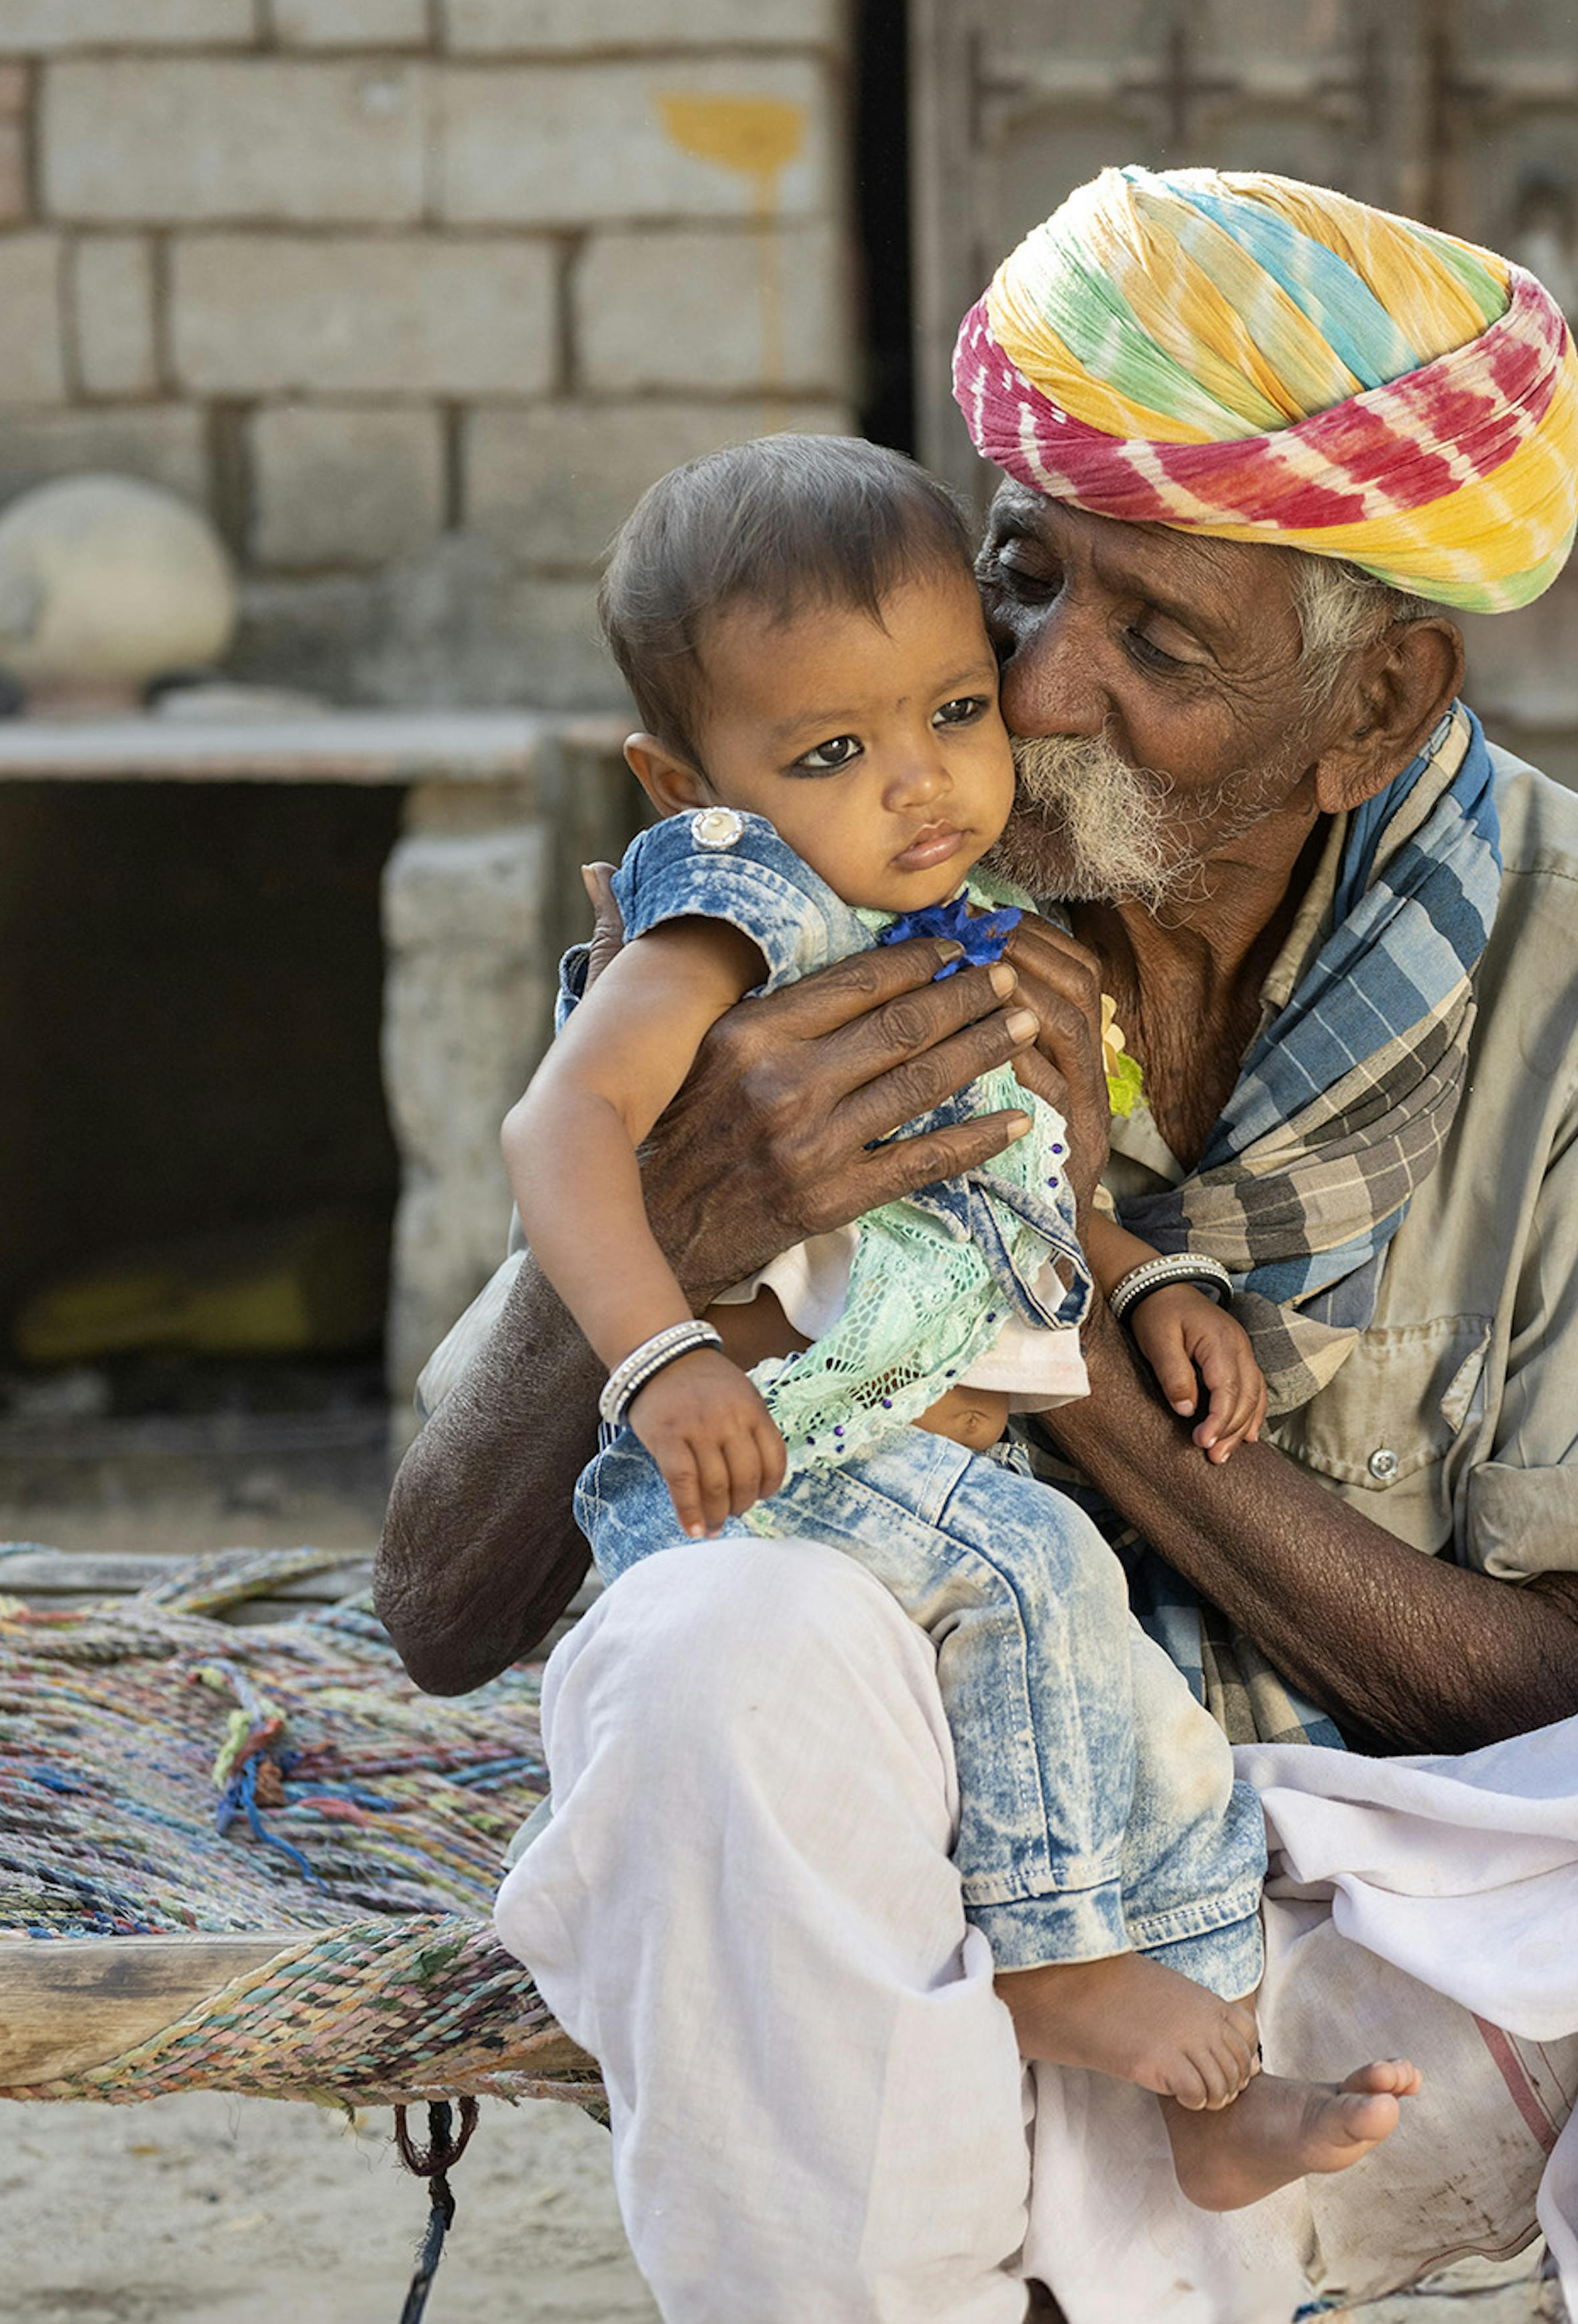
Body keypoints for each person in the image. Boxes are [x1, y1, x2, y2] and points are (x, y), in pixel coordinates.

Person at [383, 166, 1578, 2324]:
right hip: (982, 1960)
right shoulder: (810, 896)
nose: (1031, 704)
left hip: (1425, 1939)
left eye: (1161, 646)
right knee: (703, 1658)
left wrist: (1080, 1323)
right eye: (1028, 588)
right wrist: (695, 1215)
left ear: (1377, 708)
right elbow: (443, 1600)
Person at [504, 430, 1418, 2203]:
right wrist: (664, 1351)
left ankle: (1214, 2108)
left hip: (915, 1472)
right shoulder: (735, 911)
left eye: (953, 713)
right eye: (832, 751)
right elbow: (561, 1128)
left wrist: (1142, 1274)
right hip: (787, 1464)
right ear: (682, 776)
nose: (919, 784)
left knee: (1156, 1711)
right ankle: (1064, 1964)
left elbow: (1006, 1172)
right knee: (1037, 1577)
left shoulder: (959, 909)